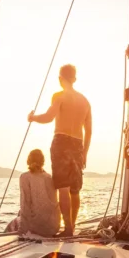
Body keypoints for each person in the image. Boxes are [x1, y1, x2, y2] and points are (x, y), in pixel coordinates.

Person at [27, 64, 91, 236]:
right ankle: (73, 225)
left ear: (60, 78)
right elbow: (89, 130)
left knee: (63, 187)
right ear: (75, 79)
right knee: (75, 189)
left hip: (62, 142)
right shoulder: (85, 101)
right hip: (78, 145)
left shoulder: (59, 96)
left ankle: (68, 228)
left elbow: (48, 117)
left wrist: (32, 117)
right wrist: (84, 152)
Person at [5, 149, 60, 237]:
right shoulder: (49, 177)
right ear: (43, 161)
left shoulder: (25, 177)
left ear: (28, 160)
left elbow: (25, 204)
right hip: (53, 227)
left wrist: (22, 230)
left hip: (36, 228)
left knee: (15, 221)